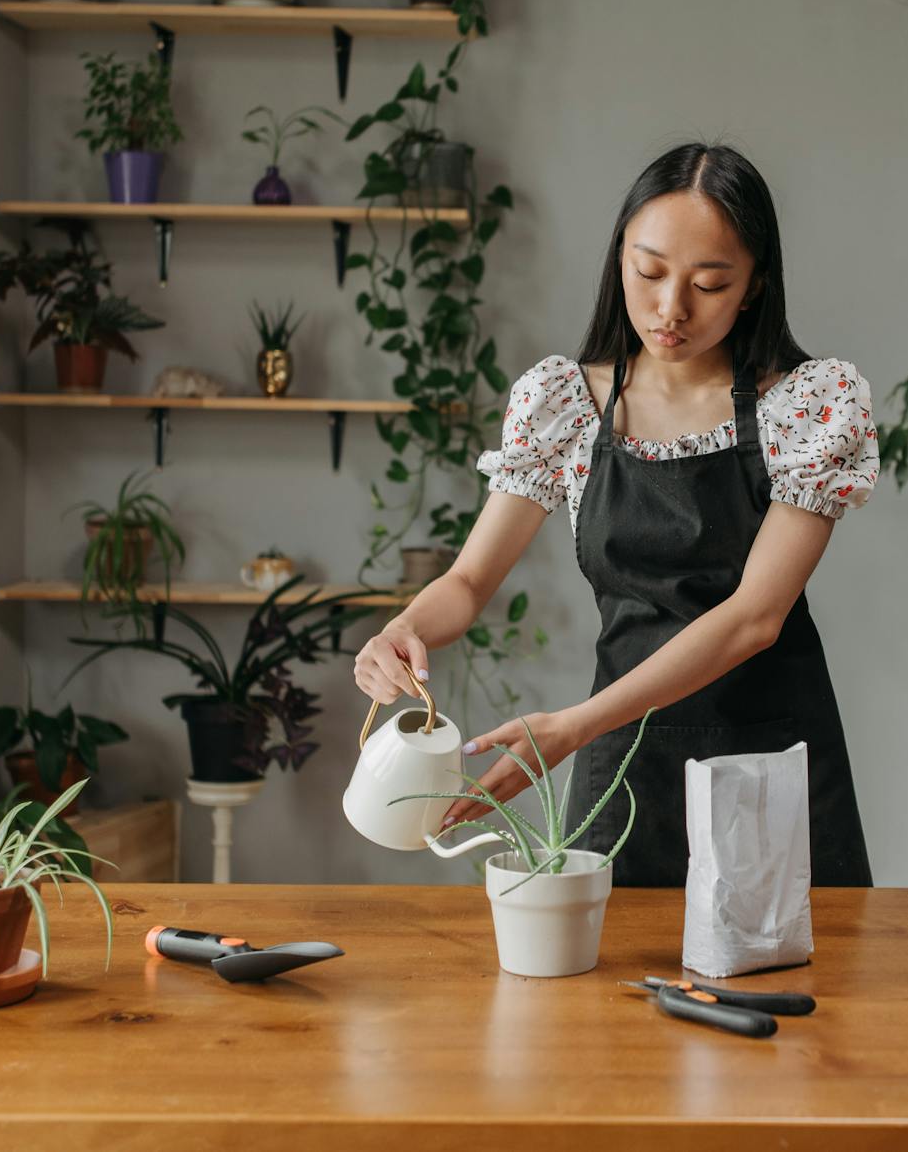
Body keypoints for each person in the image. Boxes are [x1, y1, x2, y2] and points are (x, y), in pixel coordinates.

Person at [354, 142, 874, 886]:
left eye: (710, 283)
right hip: (623, 763)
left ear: (754, 286)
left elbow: (756, 617)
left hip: (768, 762)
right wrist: (403, 629)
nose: (671, 309)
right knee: (608, 995)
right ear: (619, 258)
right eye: (650, 272)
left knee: (795, 987)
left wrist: (571, 728)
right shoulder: (565, 402)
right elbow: (468, 582)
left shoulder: (807, 404)